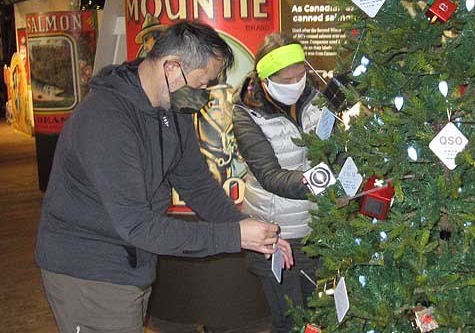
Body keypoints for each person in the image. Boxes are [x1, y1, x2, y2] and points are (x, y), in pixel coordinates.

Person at [35, 22, 293, 333]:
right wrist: (235, 236)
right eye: (201, 84)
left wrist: (251, 231)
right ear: (171, 68)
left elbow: (196, 184)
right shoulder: (107, 120)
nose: (205, 96)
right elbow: (137, 225)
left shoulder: (172, 107)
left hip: (132, 262)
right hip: (89, 268)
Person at [232, 33, 322, 333]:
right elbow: (270, 175)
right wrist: (323, 182)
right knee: (288, 318)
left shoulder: (313, 96)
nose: (296, 83)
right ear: (266, 79)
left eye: (301, 74)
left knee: (318, 313)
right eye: (286, 79)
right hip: (275, 232)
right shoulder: (246, 113)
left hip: (315, 227)